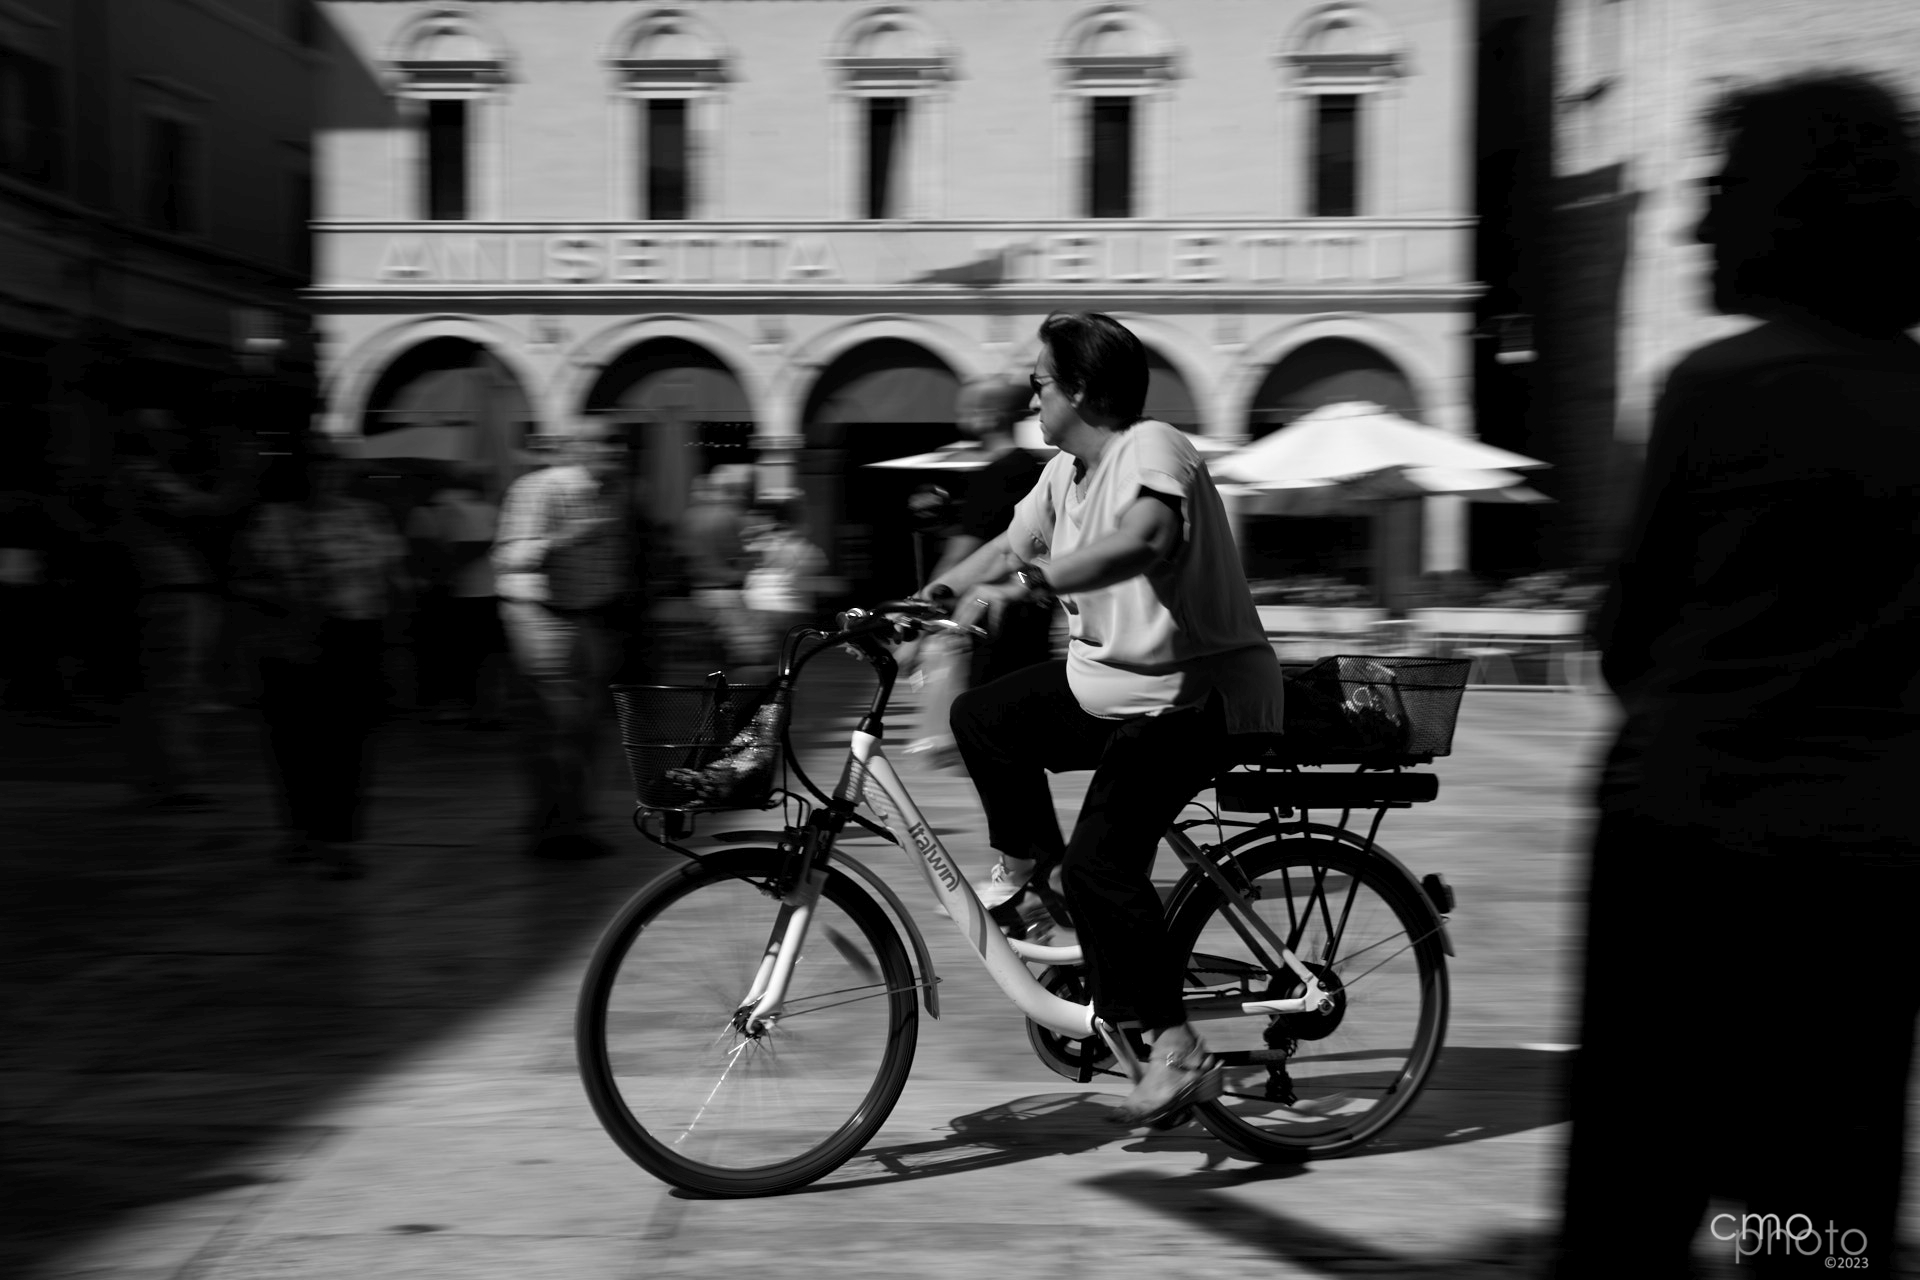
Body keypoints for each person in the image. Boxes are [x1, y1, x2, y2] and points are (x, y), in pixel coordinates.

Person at [1556, 72, 1920, 1280]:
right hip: (1868, 872)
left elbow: (1625, 636)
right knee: (1819, 1210)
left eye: (1718, 195)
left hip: (1683, 856)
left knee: (1636, 1192)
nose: (1693, 223)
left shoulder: (1718, 389)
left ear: (1785, 212)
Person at [927, 312, 1286, 1127]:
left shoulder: (1151, 447)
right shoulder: (1064, 475)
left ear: (1082, 390)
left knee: (1103, 862)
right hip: (1122, 687)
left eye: (1041, 381)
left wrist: (1043, 580)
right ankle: (1034, 878)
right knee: (983, 718)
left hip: (1201, 696)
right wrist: (928, 600)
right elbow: (998, 551)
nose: (1031, 393)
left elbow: (1144, 537)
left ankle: (1175, 1048)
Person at [234, 444, 406, 879]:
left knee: (346, 739)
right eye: (316, 467)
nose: (326, 476)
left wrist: (396, 634)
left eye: (334, 468)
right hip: (288, 638)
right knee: (293, 738)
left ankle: (340, 838)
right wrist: (281, 599)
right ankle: (301, 830)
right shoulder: (273, 518)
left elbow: (392, 579)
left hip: (354, 635)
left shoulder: (367, 516)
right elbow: (240, 581)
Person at [493, 420, 638, 859]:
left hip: (589, 618)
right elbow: (508, 556)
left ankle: (563, 816)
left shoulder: (614, 492)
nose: (617, 451)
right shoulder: (542, 489)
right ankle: (558, 827)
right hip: (542, 618)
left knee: (584, 728)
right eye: (606, 442)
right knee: (559, 723)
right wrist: (565, 539)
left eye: (621, 442)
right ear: (579, 448)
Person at [903, 377, 1053, 763]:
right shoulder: (1032, 470)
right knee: (1011, 743)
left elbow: (967, 554)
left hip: (989, 623)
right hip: (1029, 620)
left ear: (988, 417)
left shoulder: (995, 476)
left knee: (988, 740)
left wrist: (915, 612)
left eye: (966, 409)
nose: (960, 417)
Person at [406, 474, 505, 726]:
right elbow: (476, 546)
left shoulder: (426, 511)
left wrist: (447, 565)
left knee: (452, 654)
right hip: (479, 593)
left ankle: (453, 706)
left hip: (448, 592)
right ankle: (481, 708)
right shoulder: (483, 510)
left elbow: (423, 551)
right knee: (478, 655)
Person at [676, 464, 762, 676]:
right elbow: (750, 555)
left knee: (714, 661)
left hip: (701, 594)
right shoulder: (733, 516)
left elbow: (682, 554)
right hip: (728, 594)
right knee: (749, 661)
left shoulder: (691, 516)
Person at [741, 499, 826, 661]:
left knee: (767, 654)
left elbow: (748, 562)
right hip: (787, 606)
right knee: (787, 654)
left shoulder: (763, 541)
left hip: (757, 604)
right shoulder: (802, 547)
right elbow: (816, 565)